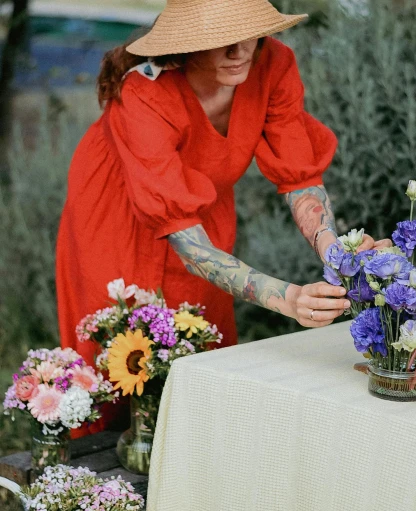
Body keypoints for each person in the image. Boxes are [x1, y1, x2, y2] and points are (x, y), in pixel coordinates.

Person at [56, 0, 390, 370]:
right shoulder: (144, 92)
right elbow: (185, 239)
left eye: (248, 33)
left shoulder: (273, 64)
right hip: (117, 214)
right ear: (186, 43)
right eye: (221, 38)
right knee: (121, 348)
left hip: (203, 201)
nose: (239, 51)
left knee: (200, 333)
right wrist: (287, 299)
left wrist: (335, 252)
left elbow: (300, 177)